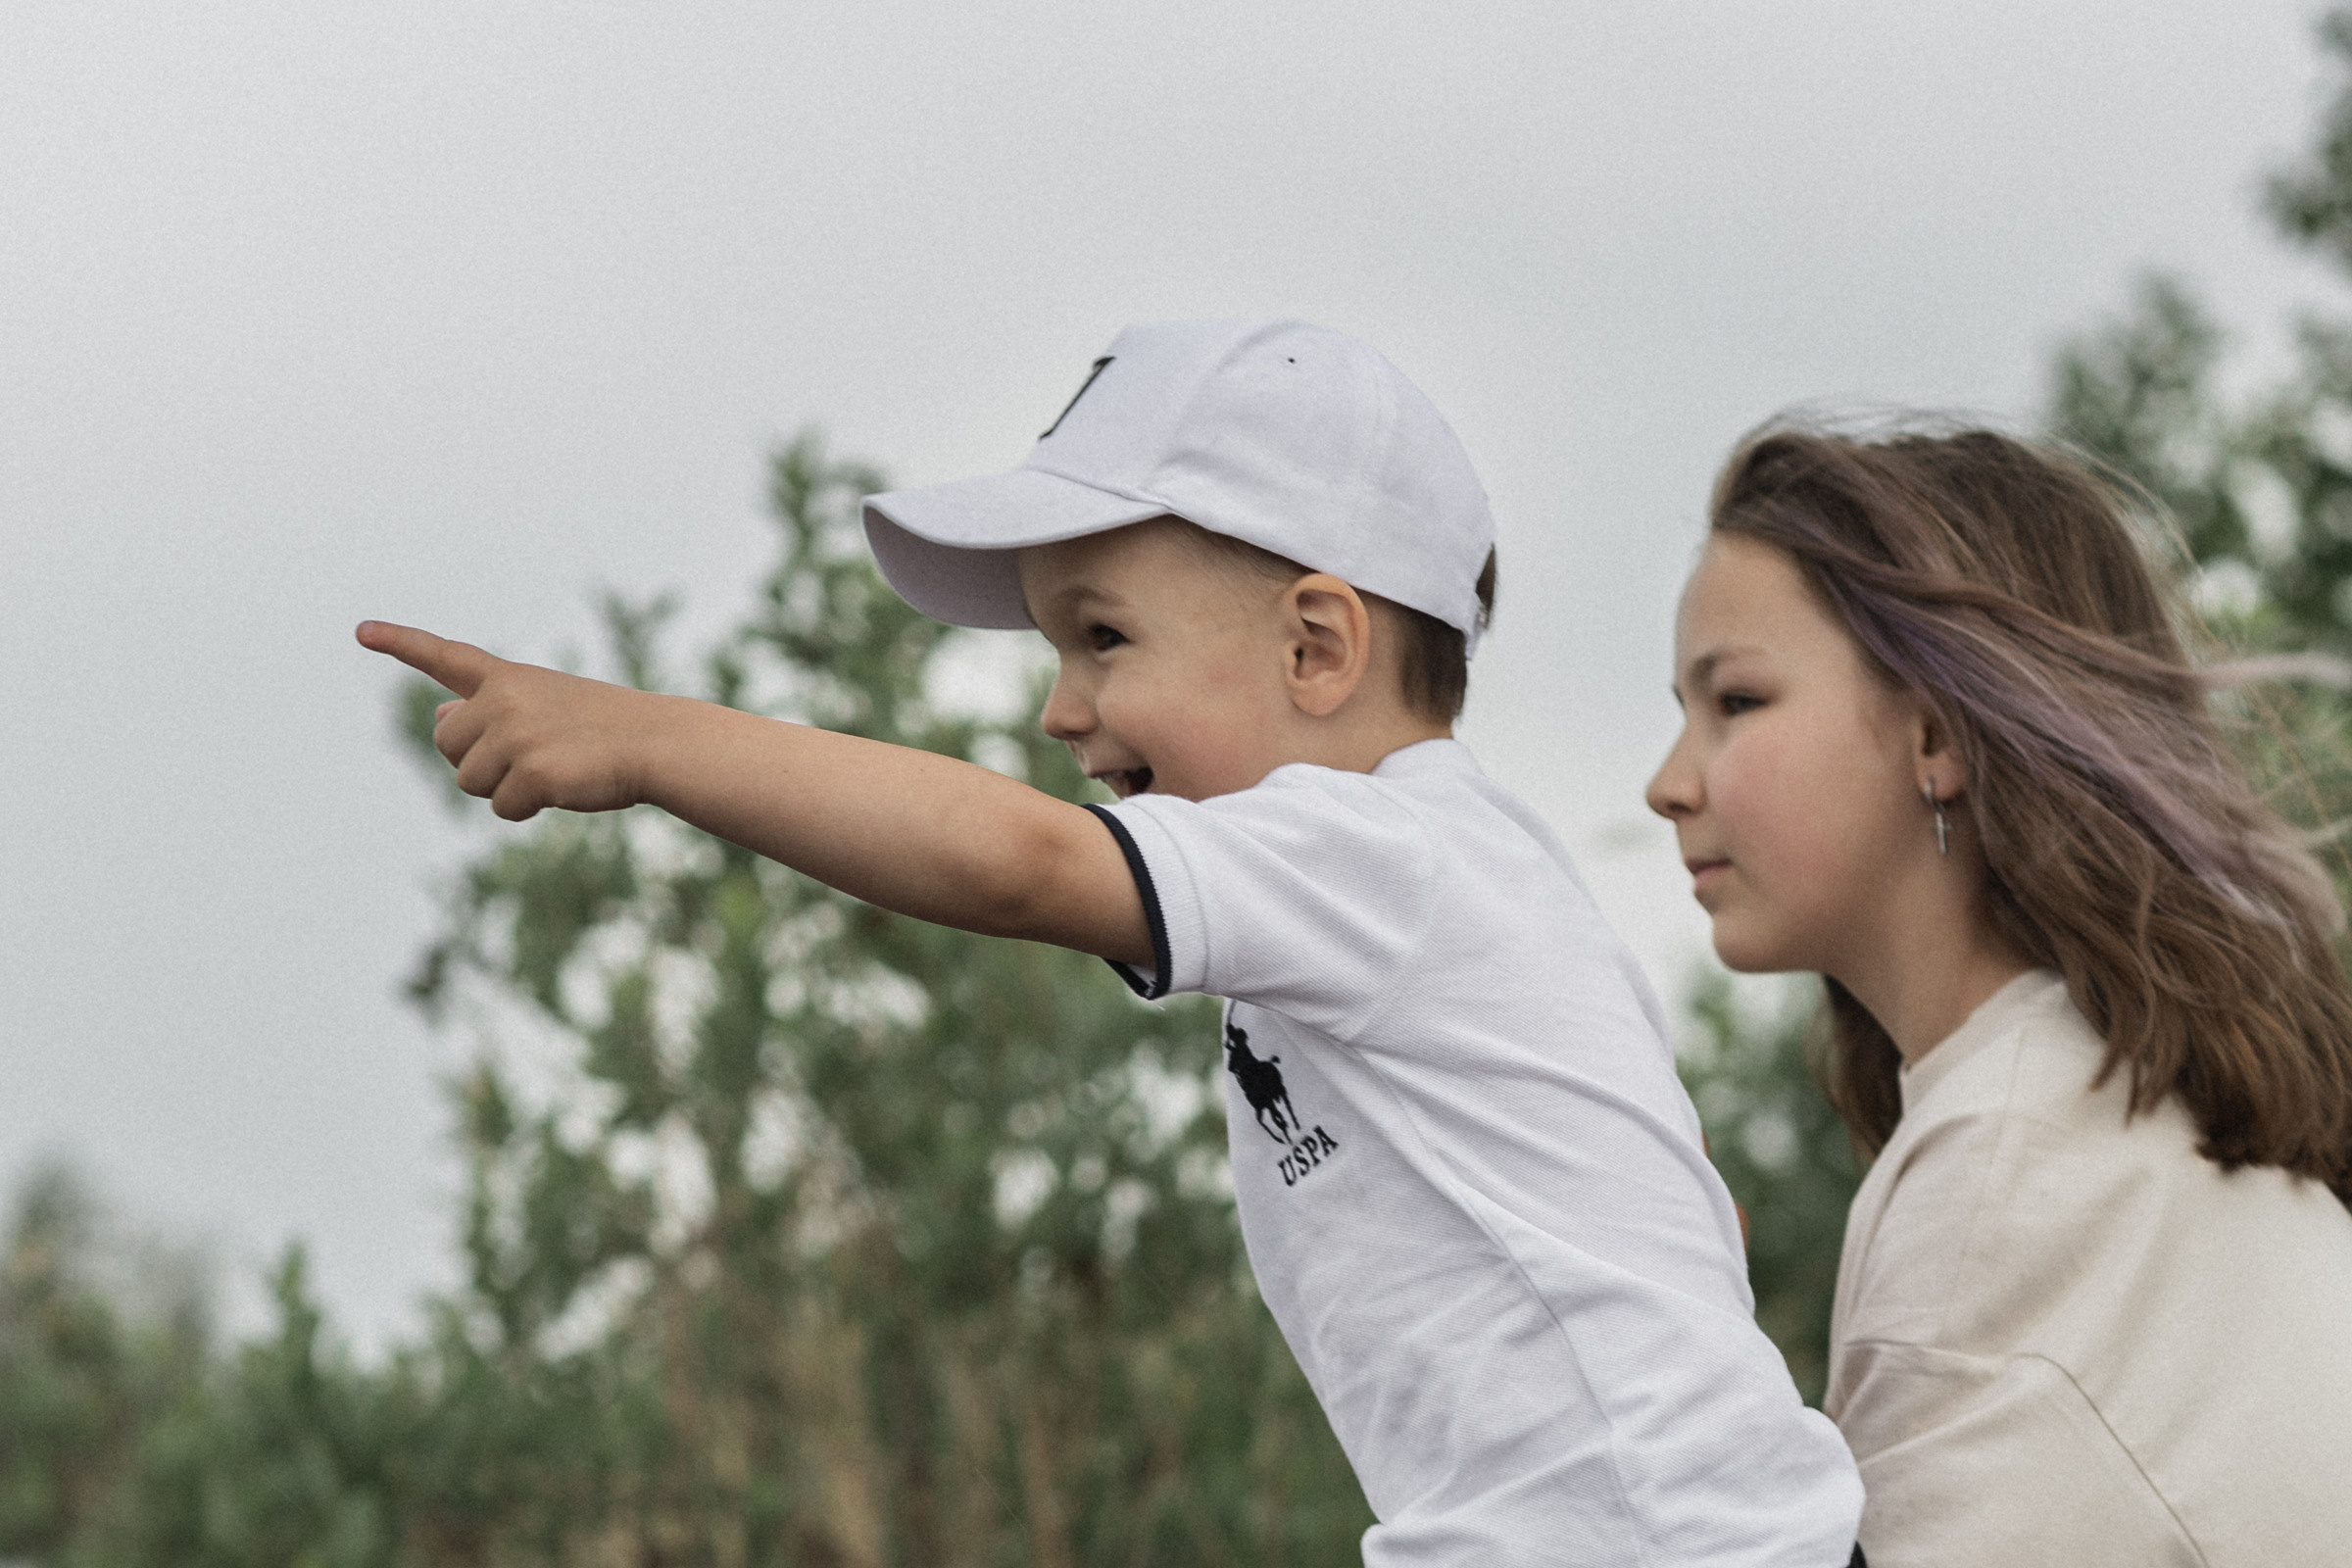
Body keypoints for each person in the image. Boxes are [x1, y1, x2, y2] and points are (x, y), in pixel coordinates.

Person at [361, 319, 1864, 1565]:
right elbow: (1690, 1222)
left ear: (1316, 648)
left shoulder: (1381, 850)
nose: (1058, 709)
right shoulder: (1444, 885)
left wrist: (646, 742)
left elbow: (1018, 863)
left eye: (1103, 640)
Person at [1645, 420, 2352, 1567]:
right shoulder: (2105, 1119)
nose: (1668, 784)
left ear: (1935, 733)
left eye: (1736, 702)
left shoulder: (2011, 1182)